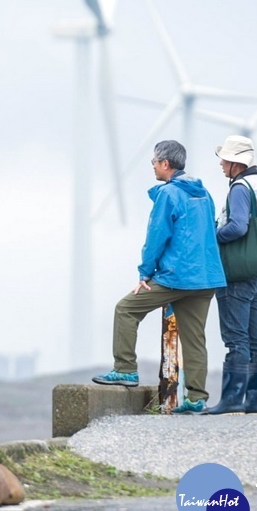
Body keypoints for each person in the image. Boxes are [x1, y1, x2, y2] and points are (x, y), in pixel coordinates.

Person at [92, 140, 226, 414]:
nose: (152, 166)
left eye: (154, 161)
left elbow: (157, 236)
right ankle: (197, 397)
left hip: (176, 276)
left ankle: (125, 369)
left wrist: (145, 272)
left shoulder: (169, 194)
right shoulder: (205, 194)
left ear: (165, 163)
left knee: (126, 310)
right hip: (207, 277)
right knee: (194, 337)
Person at [206, 135, 257, 415]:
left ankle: (232, 398)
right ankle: (256, 400)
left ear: (236, 163)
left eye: (224, 159)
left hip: (237, 273)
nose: (221, 164)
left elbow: (237, 228)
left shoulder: (240, 188)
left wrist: (212, 236)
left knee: (236, 339)